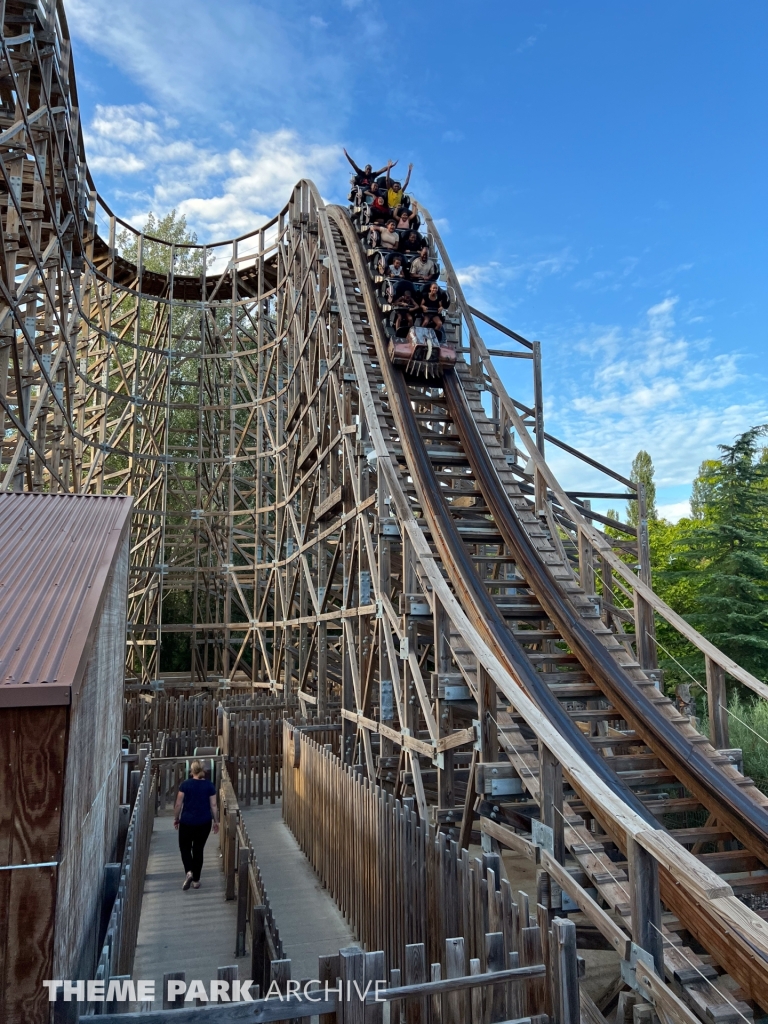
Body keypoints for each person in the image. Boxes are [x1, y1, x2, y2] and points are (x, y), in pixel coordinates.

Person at [174, 759, 219, 890]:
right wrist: (216, 821)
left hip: (187, 822)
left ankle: (189, 872)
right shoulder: (209, 786)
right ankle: (196, 881)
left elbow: (178, 804)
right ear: (203, 771)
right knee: (198, 849)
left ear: (191, 771)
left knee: (185, 848)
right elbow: (214, 805)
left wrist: (176, 818)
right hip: (204, 822)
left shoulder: (185, 785)